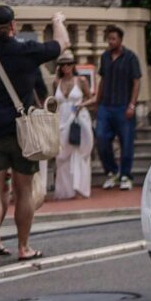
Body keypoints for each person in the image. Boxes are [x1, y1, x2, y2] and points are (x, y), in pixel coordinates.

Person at [0, 5, 69, 267]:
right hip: (24, 133)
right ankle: (23, 246)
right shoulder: (27, 51)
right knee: (23, 190)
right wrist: (57, 20)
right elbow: (62, 44)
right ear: (13, 26)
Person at [92, 24, 142, 192]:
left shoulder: (130, 57)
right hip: (106, 105)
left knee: (126, 142)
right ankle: (111, 172)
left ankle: (126, 175)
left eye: (113, 39)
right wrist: (97, 102)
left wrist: (132, 105)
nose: (111, 42)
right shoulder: (105, 57)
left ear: (120, 39)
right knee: (101, 139)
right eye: (109, 39)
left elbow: (136, 82)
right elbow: (102, 80)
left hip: (123, 105)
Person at [49, 52, 93, 200]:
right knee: (61, 156)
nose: (66, 67)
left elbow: (92, 98)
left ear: (73, 65)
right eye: (62, 64)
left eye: (69, 64)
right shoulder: (56, 82)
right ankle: (65, 191)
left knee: (79, 152)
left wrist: (81, 105)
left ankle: (80, 189)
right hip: (62, 119)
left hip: (78, 118)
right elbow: (53, 103)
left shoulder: (81, 80)